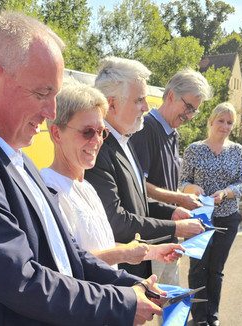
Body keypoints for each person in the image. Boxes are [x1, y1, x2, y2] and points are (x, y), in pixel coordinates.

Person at [0, 12, 169, 326]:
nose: (51, 112)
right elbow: (21, 280)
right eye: (43, 94)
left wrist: (130, 285)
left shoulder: (18, 157)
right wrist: (121, 303)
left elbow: (68, 253)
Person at [41, 78, 184, 268]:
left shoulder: (87, 188)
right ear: (57, 133)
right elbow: (67, 262)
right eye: (87, 132)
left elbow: (102, 245)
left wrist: (154, 252)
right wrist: (124, 253)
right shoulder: (50, 190)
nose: (96, 141)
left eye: (101, 132)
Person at [85, 56, 205, 279]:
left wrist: (172, 212)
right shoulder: (97, 149)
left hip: (136, 269)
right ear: (112, 104)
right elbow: (117, 221)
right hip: (118, 277)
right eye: (139, 100)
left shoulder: (124, 140)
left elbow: (137, 200)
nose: (146, 107)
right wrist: (175, 228)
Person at [130, 68, 213, 285]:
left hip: (170, 238)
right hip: (152, 242)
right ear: (170, 96)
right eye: (188, 108)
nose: (189, 116)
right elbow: (139, 186)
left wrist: (185, 197)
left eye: (194, 111)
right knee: (150, 308)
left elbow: (163, 183)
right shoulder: (146, 128)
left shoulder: (172, 134)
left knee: (171, 308)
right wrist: (180, 200)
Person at [179, 102, 242, 326]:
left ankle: (212, 317)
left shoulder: (237, 151)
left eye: (229, 122)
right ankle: (199, 318)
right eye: (221, 120)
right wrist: (192, 188)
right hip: (198, 218)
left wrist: (226, 193)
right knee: (198, 268)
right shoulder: (193, 149)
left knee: (216, 270)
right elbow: (182, 182)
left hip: (227, 218)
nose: (225, 126)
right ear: (211, 121)